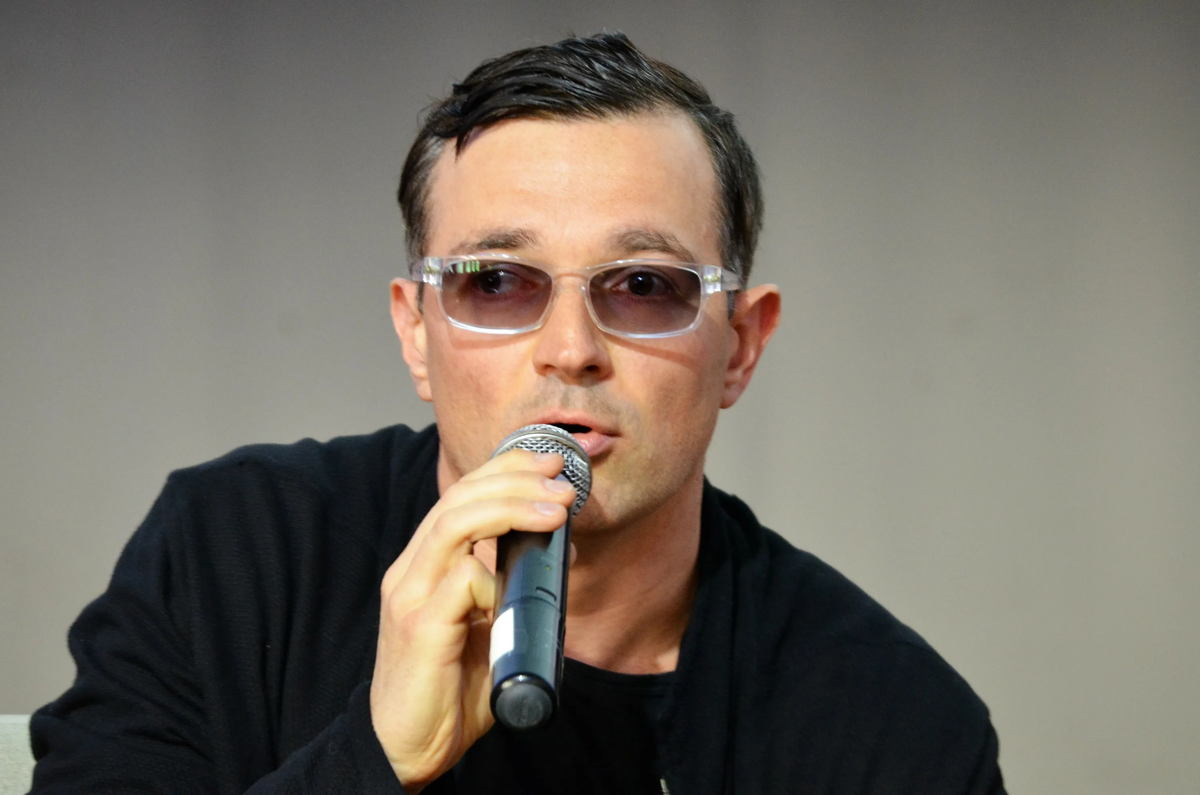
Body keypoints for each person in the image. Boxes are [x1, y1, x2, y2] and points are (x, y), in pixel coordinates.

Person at [28, 32, 1005, 794]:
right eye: (496, 282)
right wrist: (375, 758)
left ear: (741, 345)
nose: (569, 348)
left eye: (644, 285)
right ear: (417, 333)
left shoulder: (890, 720)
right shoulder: (232, 555)